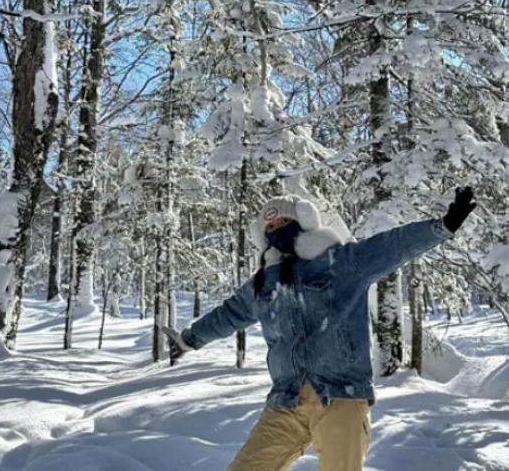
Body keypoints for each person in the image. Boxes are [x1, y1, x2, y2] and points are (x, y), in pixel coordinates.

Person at [162, 187, 477, 471]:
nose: (276, 231)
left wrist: (442, 227)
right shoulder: (264, 283)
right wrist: (190, 339)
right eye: (269, 228)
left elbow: (391, 247)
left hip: (341, 397)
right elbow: (227, 315)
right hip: (286, 401)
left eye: (283, 223)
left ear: (303, 222)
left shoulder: (341, 263)